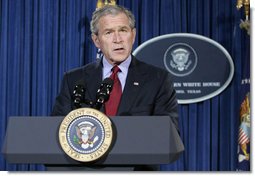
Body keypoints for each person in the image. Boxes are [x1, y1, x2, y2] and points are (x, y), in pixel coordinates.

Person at [51, 4, 179, 171]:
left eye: (123, 30)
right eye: (109, 32)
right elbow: (58, 129)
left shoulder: (158, 79)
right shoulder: (74, 79)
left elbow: (167, 134)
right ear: (96, 40)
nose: (118, 39)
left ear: (133, 35)